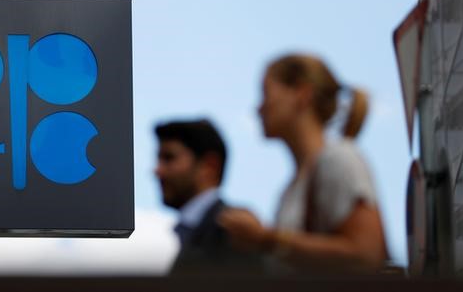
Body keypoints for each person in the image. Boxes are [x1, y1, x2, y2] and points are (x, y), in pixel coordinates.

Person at [219, 54, 387, 274]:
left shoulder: (338, 159)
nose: (259, 109)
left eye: (266, 94)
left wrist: (266, 238)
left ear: (302, 94)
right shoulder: (294, 185)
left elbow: (368, 255)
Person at [154, 119, 261, 275]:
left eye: (169, 158)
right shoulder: (197, 232)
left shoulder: (234, 232)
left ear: (209, 165)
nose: (158, 170)